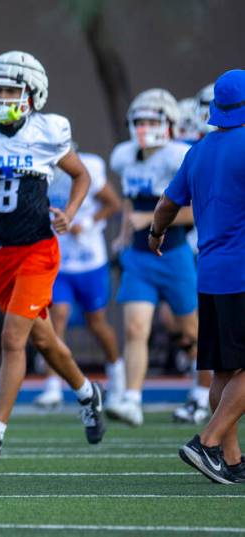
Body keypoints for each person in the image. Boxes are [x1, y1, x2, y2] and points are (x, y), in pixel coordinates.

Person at [0, 51, 105, 460]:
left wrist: (70, 213)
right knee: (46, 340)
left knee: (12, 337)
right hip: (0, 256)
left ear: (33, 94)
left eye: (10, 89)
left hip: (38, 249)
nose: (1, 97)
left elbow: (82, 174)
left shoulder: (46, 132)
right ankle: (88, 393)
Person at [154, 69, 245, 485]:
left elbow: (166, 206)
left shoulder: (198, 150)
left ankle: (231, 460)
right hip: (242, 273)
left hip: (208, 274)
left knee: (225, 372)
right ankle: (206, 443)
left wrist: (156, 234)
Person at [108, 89, 201, 427]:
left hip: (173, 254)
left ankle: (203, 391)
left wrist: (151, 221)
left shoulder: (181, 155)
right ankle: (132, 399)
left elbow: (195, 212)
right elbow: (132, 200)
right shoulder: (125, 157)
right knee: (135, 328)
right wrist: (122, 233)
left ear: (169, 124)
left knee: (190, 333)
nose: (145, 127)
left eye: (152, 120)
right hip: (139, 257)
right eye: (140, 120)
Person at [34, 150, 123, 409]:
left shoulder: (90, 167)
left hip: (89, 260)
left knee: (96, 322)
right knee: (56, 317)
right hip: (58, 260)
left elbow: (112, 204)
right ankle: (52, 384)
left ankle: (117, 372)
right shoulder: (39, 170)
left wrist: (86, 222)